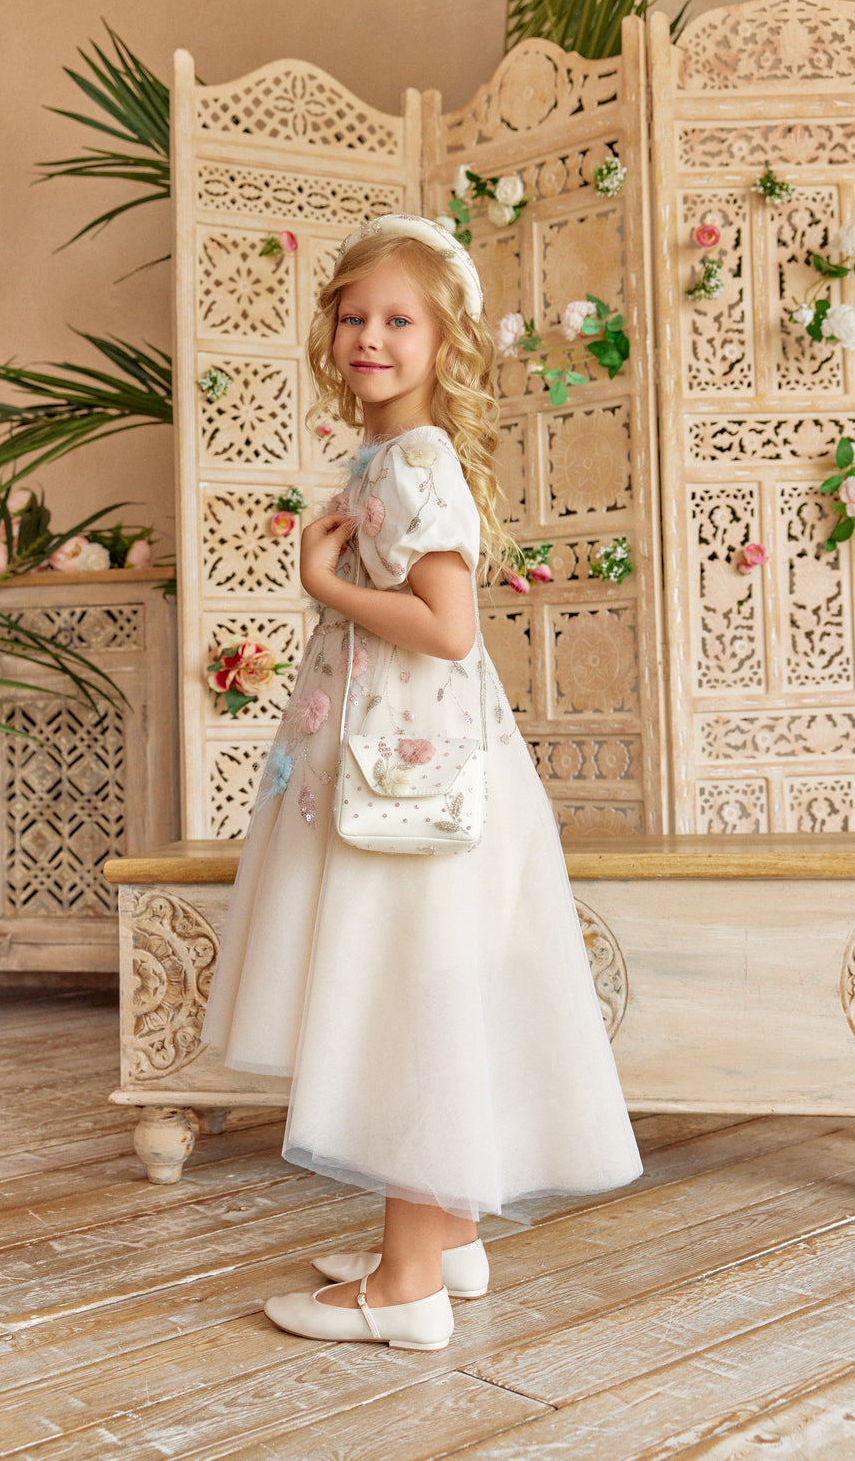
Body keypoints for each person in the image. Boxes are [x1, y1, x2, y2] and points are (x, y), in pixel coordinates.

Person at [201, 214, 642, 1352]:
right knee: (424, 988)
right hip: (407, 769)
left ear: (441, 339)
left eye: (398, 319)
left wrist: (320, 582)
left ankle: (405, 1290)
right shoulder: (389, 454)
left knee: (405, 998)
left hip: (413, 785)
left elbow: (445, 628)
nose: (369, 337)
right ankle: (440, 1232)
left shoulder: (415, 460)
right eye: (354, 315)